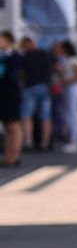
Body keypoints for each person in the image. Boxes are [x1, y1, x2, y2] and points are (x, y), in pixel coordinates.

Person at [17, 35, 51, 152]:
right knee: (45, 116)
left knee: (27, 115)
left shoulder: (25, 55)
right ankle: (45, 143)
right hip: (45, 86)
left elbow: (20, 72)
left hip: (30, 87)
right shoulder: (45, 54)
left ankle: (28, 141)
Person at [53, 41, 77, 154]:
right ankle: (71, 138)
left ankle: (74, 140)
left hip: (72, 88)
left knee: (72, 113)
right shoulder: (65, 60)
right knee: (67, 113)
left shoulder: (74, 60)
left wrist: (63, 80)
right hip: (67, 88)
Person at [0, 31, 22, 166]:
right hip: (2, 94)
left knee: (13, 125)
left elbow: (11, 74)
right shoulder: (2, 56)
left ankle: (15, 156)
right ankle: (8, 156)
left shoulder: (14, 56)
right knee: (7, 125)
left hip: (10, 94)